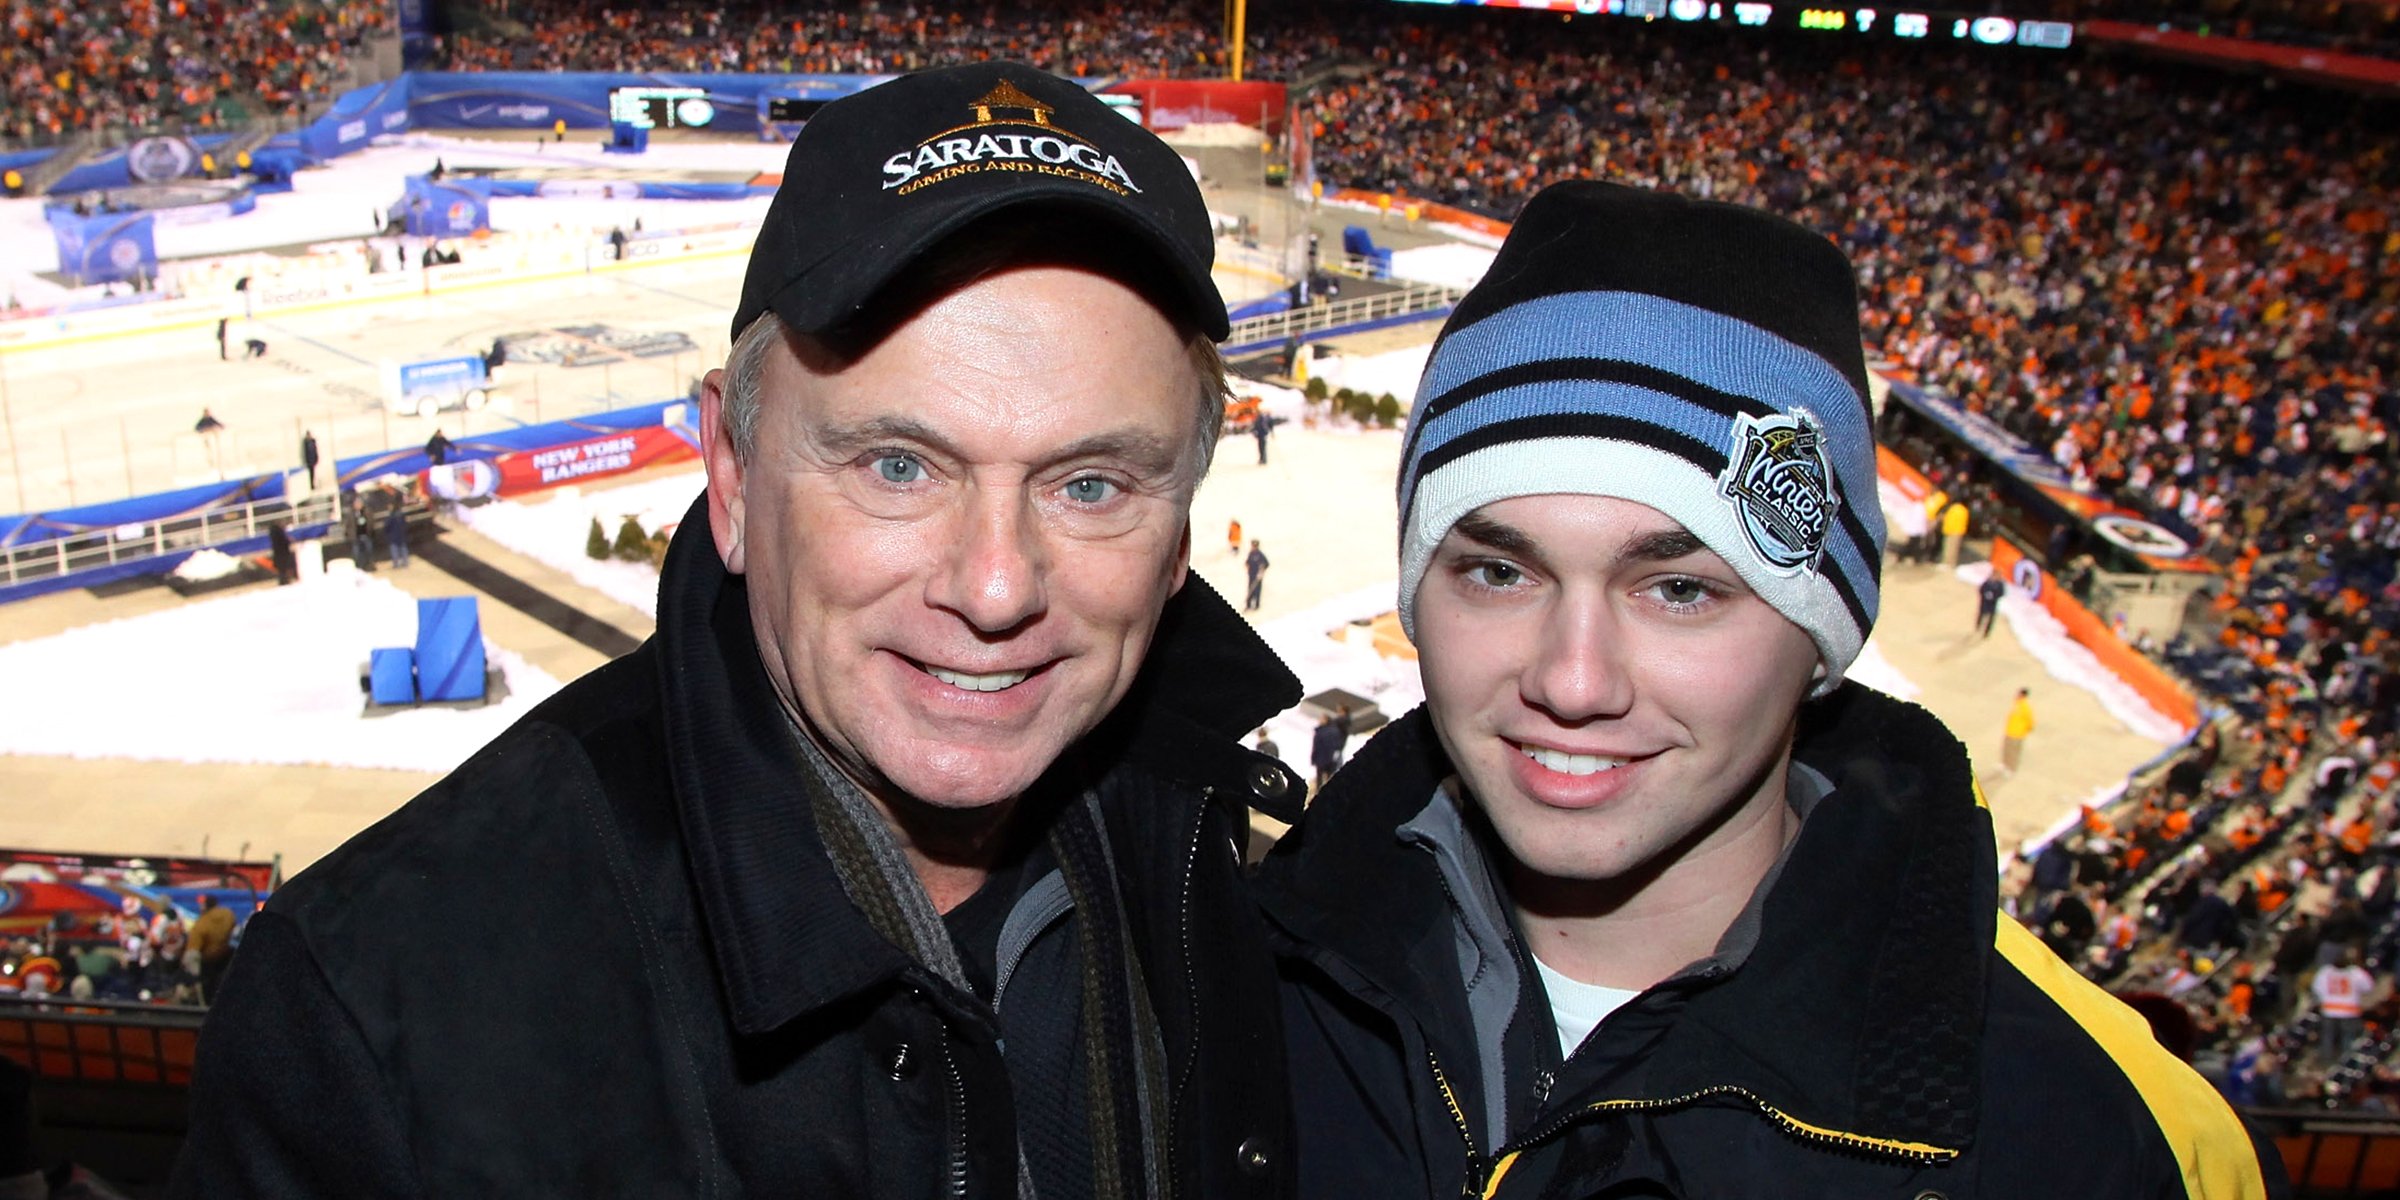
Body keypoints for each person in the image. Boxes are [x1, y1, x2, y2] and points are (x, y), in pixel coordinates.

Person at [173, 63, 1304, 1199]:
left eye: (1093, 484)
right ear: (732, 473)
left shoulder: (1224, 870)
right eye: (898, 466)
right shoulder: (375, 1014)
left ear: (1177, 537)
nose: (997, 585)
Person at [1255, 182, 2286, 1200]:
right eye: (1498, 571)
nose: (1572, 681)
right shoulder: (1215, 978)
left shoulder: (2120, 1146)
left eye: (1680, 590)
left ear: (1824, 633)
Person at [2313, 947, 2376, 1068]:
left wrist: (2326, 998)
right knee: (2348, 1038)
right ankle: (2346, 1063)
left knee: (2328, 1037)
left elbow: (2316, 988)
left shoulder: (2325, 972)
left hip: (2330, 1010)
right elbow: (2369, 986)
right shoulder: (2355, 973)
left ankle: (2327, 1062)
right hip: (2349, 1011)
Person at [186, 895, 235, 1004]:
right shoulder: (227, 914)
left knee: (206, 989)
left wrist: (193, 973)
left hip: (207, 960)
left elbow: (193, 952)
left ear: (204, 906)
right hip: (224, 956)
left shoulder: (201, 924)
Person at [1309, 710, 1347, 793]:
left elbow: (1316, 747)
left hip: (1321, 759)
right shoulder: (1335, 731)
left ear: (1326, 720)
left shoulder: (1320, 732)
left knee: (1319, 779)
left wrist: (1313, 758)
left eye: (1321, 719)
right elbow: (1338, 745)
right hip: (1331, 759)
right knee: (1329, 778)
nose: (1319, 720)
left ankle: (1318, 793)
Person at [2003, 686, 2036, 774]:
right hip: (2010, 731)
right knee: (2007, 749)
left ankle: (2011, 768)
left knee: (2014, 752)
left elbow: (2030, 721)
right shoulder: (2017, 704)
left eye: (2018, 693)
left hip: (2017, 734)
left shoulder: (2025, 708)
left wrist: (2025, 731)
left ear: (2022, 695)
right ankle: (2005, 765)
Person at [1976, 570, 2006, 637]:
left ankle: (1987, 632)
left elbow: (2002, 593)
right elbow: (1981, 589)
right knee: (1981, 614)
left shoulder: (2000, 584)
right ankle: (1978, 625)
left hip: (1993, 603)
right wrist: (1985, 595)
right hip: (1985, 602)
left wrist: (1994, 596)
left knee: (1991, 618)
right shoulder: (1987, 582)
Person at [382, 495, 410, 568]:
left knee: (395, 550)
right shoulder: (401, 514)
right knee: (403, 549)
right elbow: (405, 523)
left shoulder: (391, 516)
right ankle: (405, 562)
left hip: (393, 536)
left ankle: (396, 564)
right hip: (401, 534)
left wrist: (386, 532)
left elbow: (387, 526)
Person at [1245, 538, 1271, 611]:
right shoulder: (1251, 553)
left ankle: (1256, 606)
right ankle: (1248, 605)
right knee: (1250, 590)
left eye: (1254, 546)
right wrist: (1247, 567)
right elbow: (1247, 562)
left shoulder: (1260, 554)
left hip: (1258, 576)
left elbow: (1267, 564)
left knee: (1257, 591)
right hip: (1251, 575)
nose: (1253, 547)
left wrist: (1261, 572)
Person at [266, 520, 296, 585]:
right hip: (282, 553)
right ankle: (284, 580)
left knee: (281, 569)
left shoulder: (273, 532)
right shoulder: (279, 532)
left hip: (278, 553)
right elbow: (284, 541)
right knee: (284, 567)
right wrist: (289, 541)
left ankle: (283, 580)